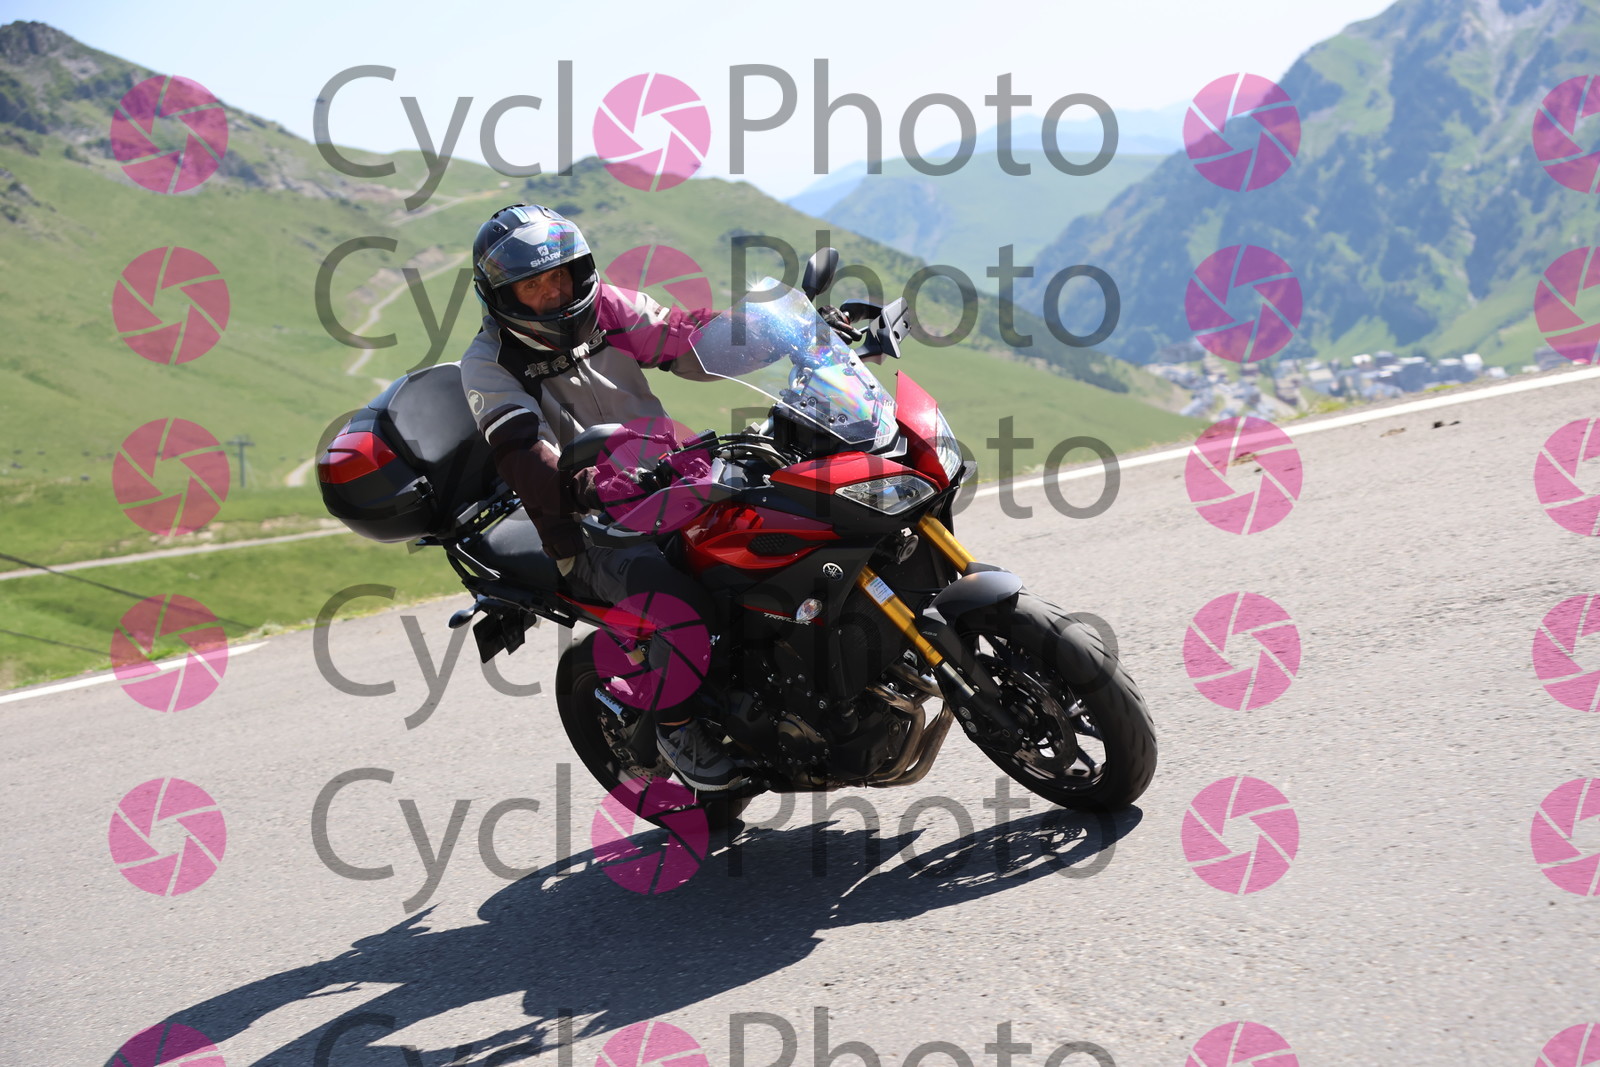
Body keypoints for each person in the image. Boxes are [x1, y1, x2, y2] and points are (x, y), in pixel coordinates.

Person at [458, 203, 741, 791]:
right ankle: (676, 727)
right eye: (532, 285)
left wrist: (774, 333)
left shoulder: (609, 307)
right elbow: (524, 455)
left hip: (674, 483)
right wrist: (589, 485)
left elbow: (688, 343)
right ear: (503, 296)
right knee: (677, 605)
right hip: (589, 528)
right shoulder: (490, 364)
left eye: (559, 275)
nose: (553, 292)